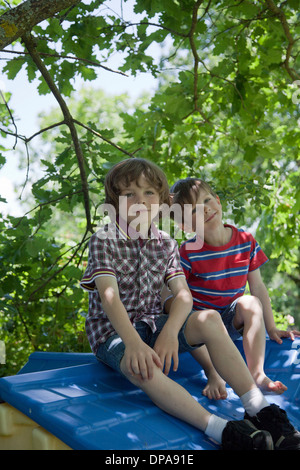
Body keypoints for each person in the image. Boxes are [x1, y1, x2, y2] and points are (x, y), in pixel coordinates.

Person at [80, 159, 299, 450]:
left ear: (160, 202)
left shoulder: (166, 244)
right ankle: (221, 429)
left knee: (208, 318)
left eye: (148, 193)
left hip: (154, 326)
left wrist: (171, 331)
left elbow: (183, 295)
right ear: (114, 203)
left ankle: (259, 408)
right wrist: (133, 344)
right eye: (129, 194)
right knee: (141, 367)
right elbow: (110, 297)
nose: (140, 202)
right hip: (114, 333)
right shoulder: (104, 240)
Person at [167, 177, 300, 401]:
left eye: (207, 200)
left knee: (250, 302)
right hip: (200, 325)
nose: (205, 209)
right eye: (194, 210)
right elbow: (177, 297)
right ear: (184, 225)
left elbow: (257, 286)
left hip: (229, 318)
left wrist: (271, 327)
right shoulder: (187, 252)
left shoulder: (245, 241)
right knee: (183, 314)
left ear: (218, 202)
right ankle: (213, 373)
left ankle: (257, 373)